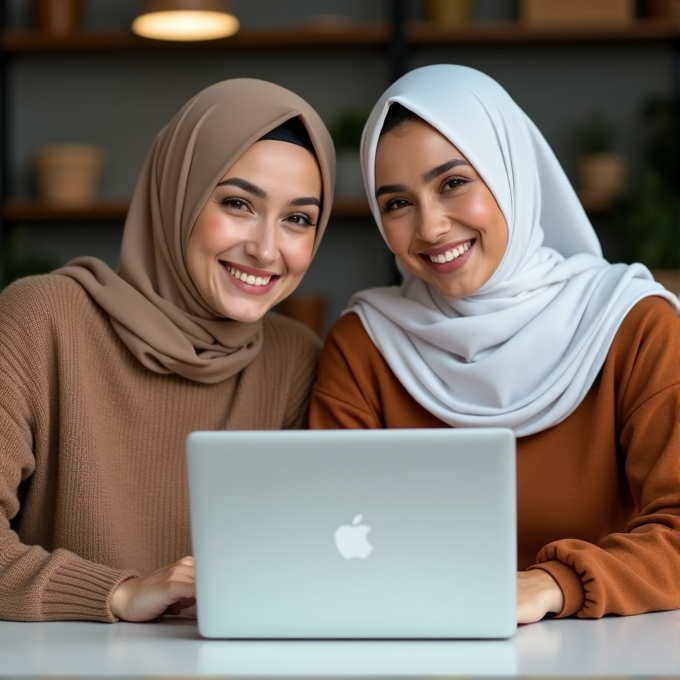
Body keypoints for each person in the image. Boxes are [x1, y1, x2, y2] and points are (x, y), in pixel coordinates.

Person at [310, 65, 680, 624]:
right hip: (420, 649)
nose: (430, 227)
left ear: (510, 173)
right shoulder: (364, 344)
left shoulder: (632, 326)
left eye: (453, 183)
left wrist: (551, 586)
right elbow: (323, 538)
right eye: (396, 203)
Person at [0, 78, 334, 623]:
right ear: (174, 195)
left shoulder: (294, 358)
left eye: (298, 218)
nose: (267, 248)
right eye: (237, 203)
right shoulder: (42, 319)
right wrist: (117, 592)